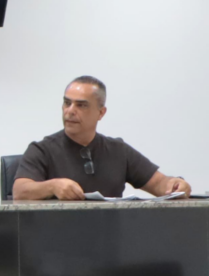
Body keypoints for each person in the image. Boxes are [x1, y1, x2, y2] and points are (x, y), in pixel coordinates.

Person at [12, 76, 190, 200]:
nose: (70, 111)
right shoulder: (42, 150)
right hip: (57, 237)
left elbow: (159, 183)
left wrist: (175, 184)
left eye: (81, 105)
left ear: (101, 113)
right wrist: (52, 186)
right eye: (67, 103)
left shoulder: (118, 150)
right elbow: (20, 191)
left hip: (111, 237)